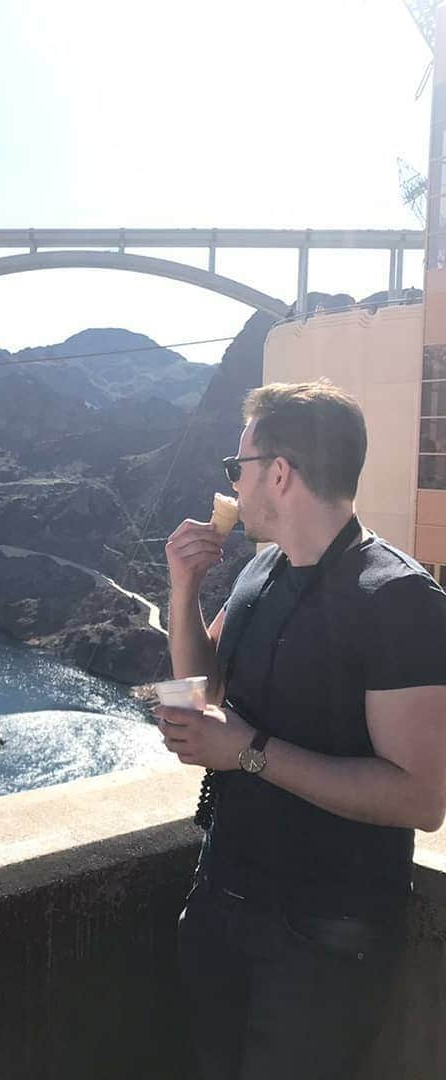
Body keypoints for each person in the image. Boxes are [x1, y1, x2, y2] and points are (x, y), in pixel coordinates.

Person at [158, 379, 446, 1080]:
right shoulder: (264, 568)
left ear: (278, 474)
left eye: (238, 468)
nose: (232, 484)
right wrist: (183, 591)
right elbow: (209, 690)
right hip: (225, 901)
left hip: (322, 938)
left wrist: (247, 752)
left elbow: (420, 799)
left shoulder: (401, 600)